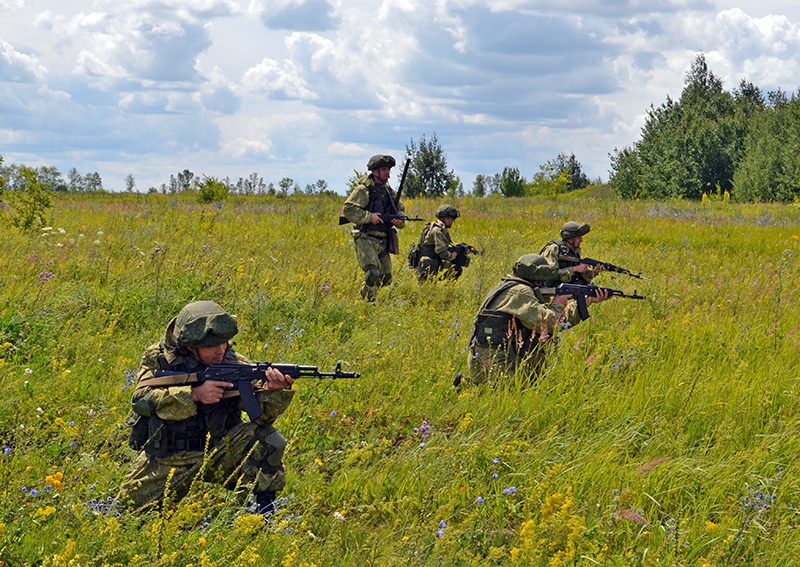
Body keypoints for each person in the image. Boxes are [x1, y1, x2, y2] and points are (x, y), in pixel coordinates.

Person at [118, 300, 294, 515]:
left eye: (224, 343)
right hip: (169, 458)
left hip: (219, 451)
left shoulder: (233, 362)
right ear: (190, 345)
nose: (220, 351)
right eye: (211, 346)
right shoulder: (161, 360)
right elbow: (141, 400)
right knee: (123, 516)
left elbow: (261, 417)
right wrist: (193, 395)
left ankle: (262, 517)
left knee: (268, 441)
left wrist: (272, 390)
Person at [466, 254, 610, 385]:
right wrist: (558, 303)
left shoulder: (508, 286)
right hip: (495, 369)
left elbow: (557, 322)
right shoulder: (520, 292)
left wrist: (585, 302)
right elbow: (551, 324)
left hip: (493, 363)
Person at [342, 154, 406, 301]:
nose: (387, 173)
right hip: (365, 236)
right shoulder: (364, 190)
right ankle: (367, 301)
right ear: (374, 171)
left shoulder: (389, 192)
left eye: (388, 170)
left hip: (382, 239)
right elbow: (349, 208)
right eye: (384, 169)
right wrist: (370, 217)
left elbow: (401, 213)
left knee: (386, 277)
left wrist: (398, 221)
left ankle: (371, 293)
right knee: (373, 272)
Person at [539, 221, 604, 284]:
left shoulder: (575, 251)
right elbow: (549, 275)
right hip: (554, 291)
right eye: (578, 237)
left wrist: (594, 272)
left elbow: (578, 275)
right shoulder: (553, 249)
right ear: (570, 237)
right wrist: (575, 269)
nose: (581, 240)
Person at [416, 204, 465, 282]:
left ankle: (447, 291)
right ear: (441, 218)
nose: (451, 221)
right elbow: (441, 251)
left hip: (426, 263)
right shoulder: (437, 230)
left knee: (455, 269)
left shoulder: (436, 227)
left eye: (452, 219)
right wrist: (452, 256)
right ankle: (448, 291)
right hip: (429, 265)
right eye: (448, 218)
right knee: (456, 269)